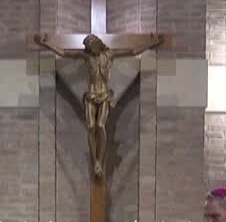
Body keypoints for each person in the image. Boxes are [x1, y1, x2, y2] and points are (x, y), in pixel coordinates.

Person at [32, 32, 163, 179]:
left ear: (97, 43)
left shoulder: (110, 54)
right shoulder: (87, 56)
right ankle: (96, 162)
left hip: (105, 95)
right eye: (87, 46)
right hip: (91, 96)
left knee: (100, 126)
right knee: (90, 128)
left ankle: (100, 160)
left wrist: (151, 44)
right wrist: (46, 44)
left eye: (91, 45)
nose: (89, 48)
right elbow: (63, 53)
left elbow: (132, 52)